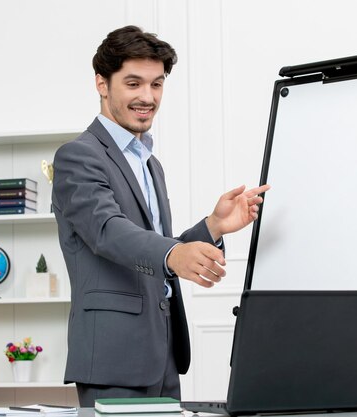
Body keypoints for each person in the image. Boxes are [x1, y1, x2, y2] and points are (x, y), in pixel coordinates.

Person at [52, 25, 270, 407]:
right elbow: (107, 231)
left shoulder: (151, 165)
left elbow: (149, 252)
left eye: (157, 84)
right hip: (113, 358)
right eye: (133, 83)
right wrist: (172, 254)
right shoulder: (79, 155)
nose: (147, 97)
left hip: (163, 351)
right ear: (102, 84)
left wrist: (214, 225)